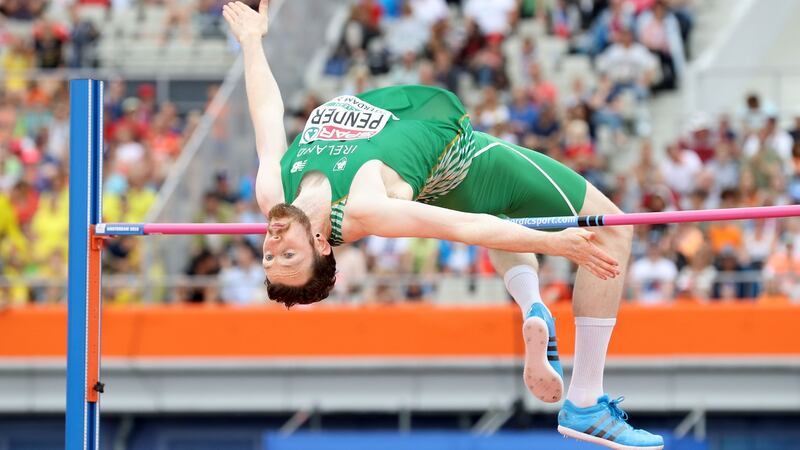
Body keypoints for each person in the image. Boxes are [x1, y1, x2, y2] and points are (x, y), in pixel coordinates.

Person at [222, 2, 662, 449]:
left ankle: (533, 307)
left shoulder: (273, 194)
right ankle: (586, 401)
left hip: (439, 171)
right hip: (468, 164)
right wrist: (558, 244)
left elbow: (266, 114)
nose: (273, 243)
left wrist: (253, 41)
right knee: (614, 227)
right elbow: (468, 229)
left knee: (501, 212)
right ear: (321, 243)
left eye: (269, 256)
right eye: (289, 255)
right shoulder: (365, 207)